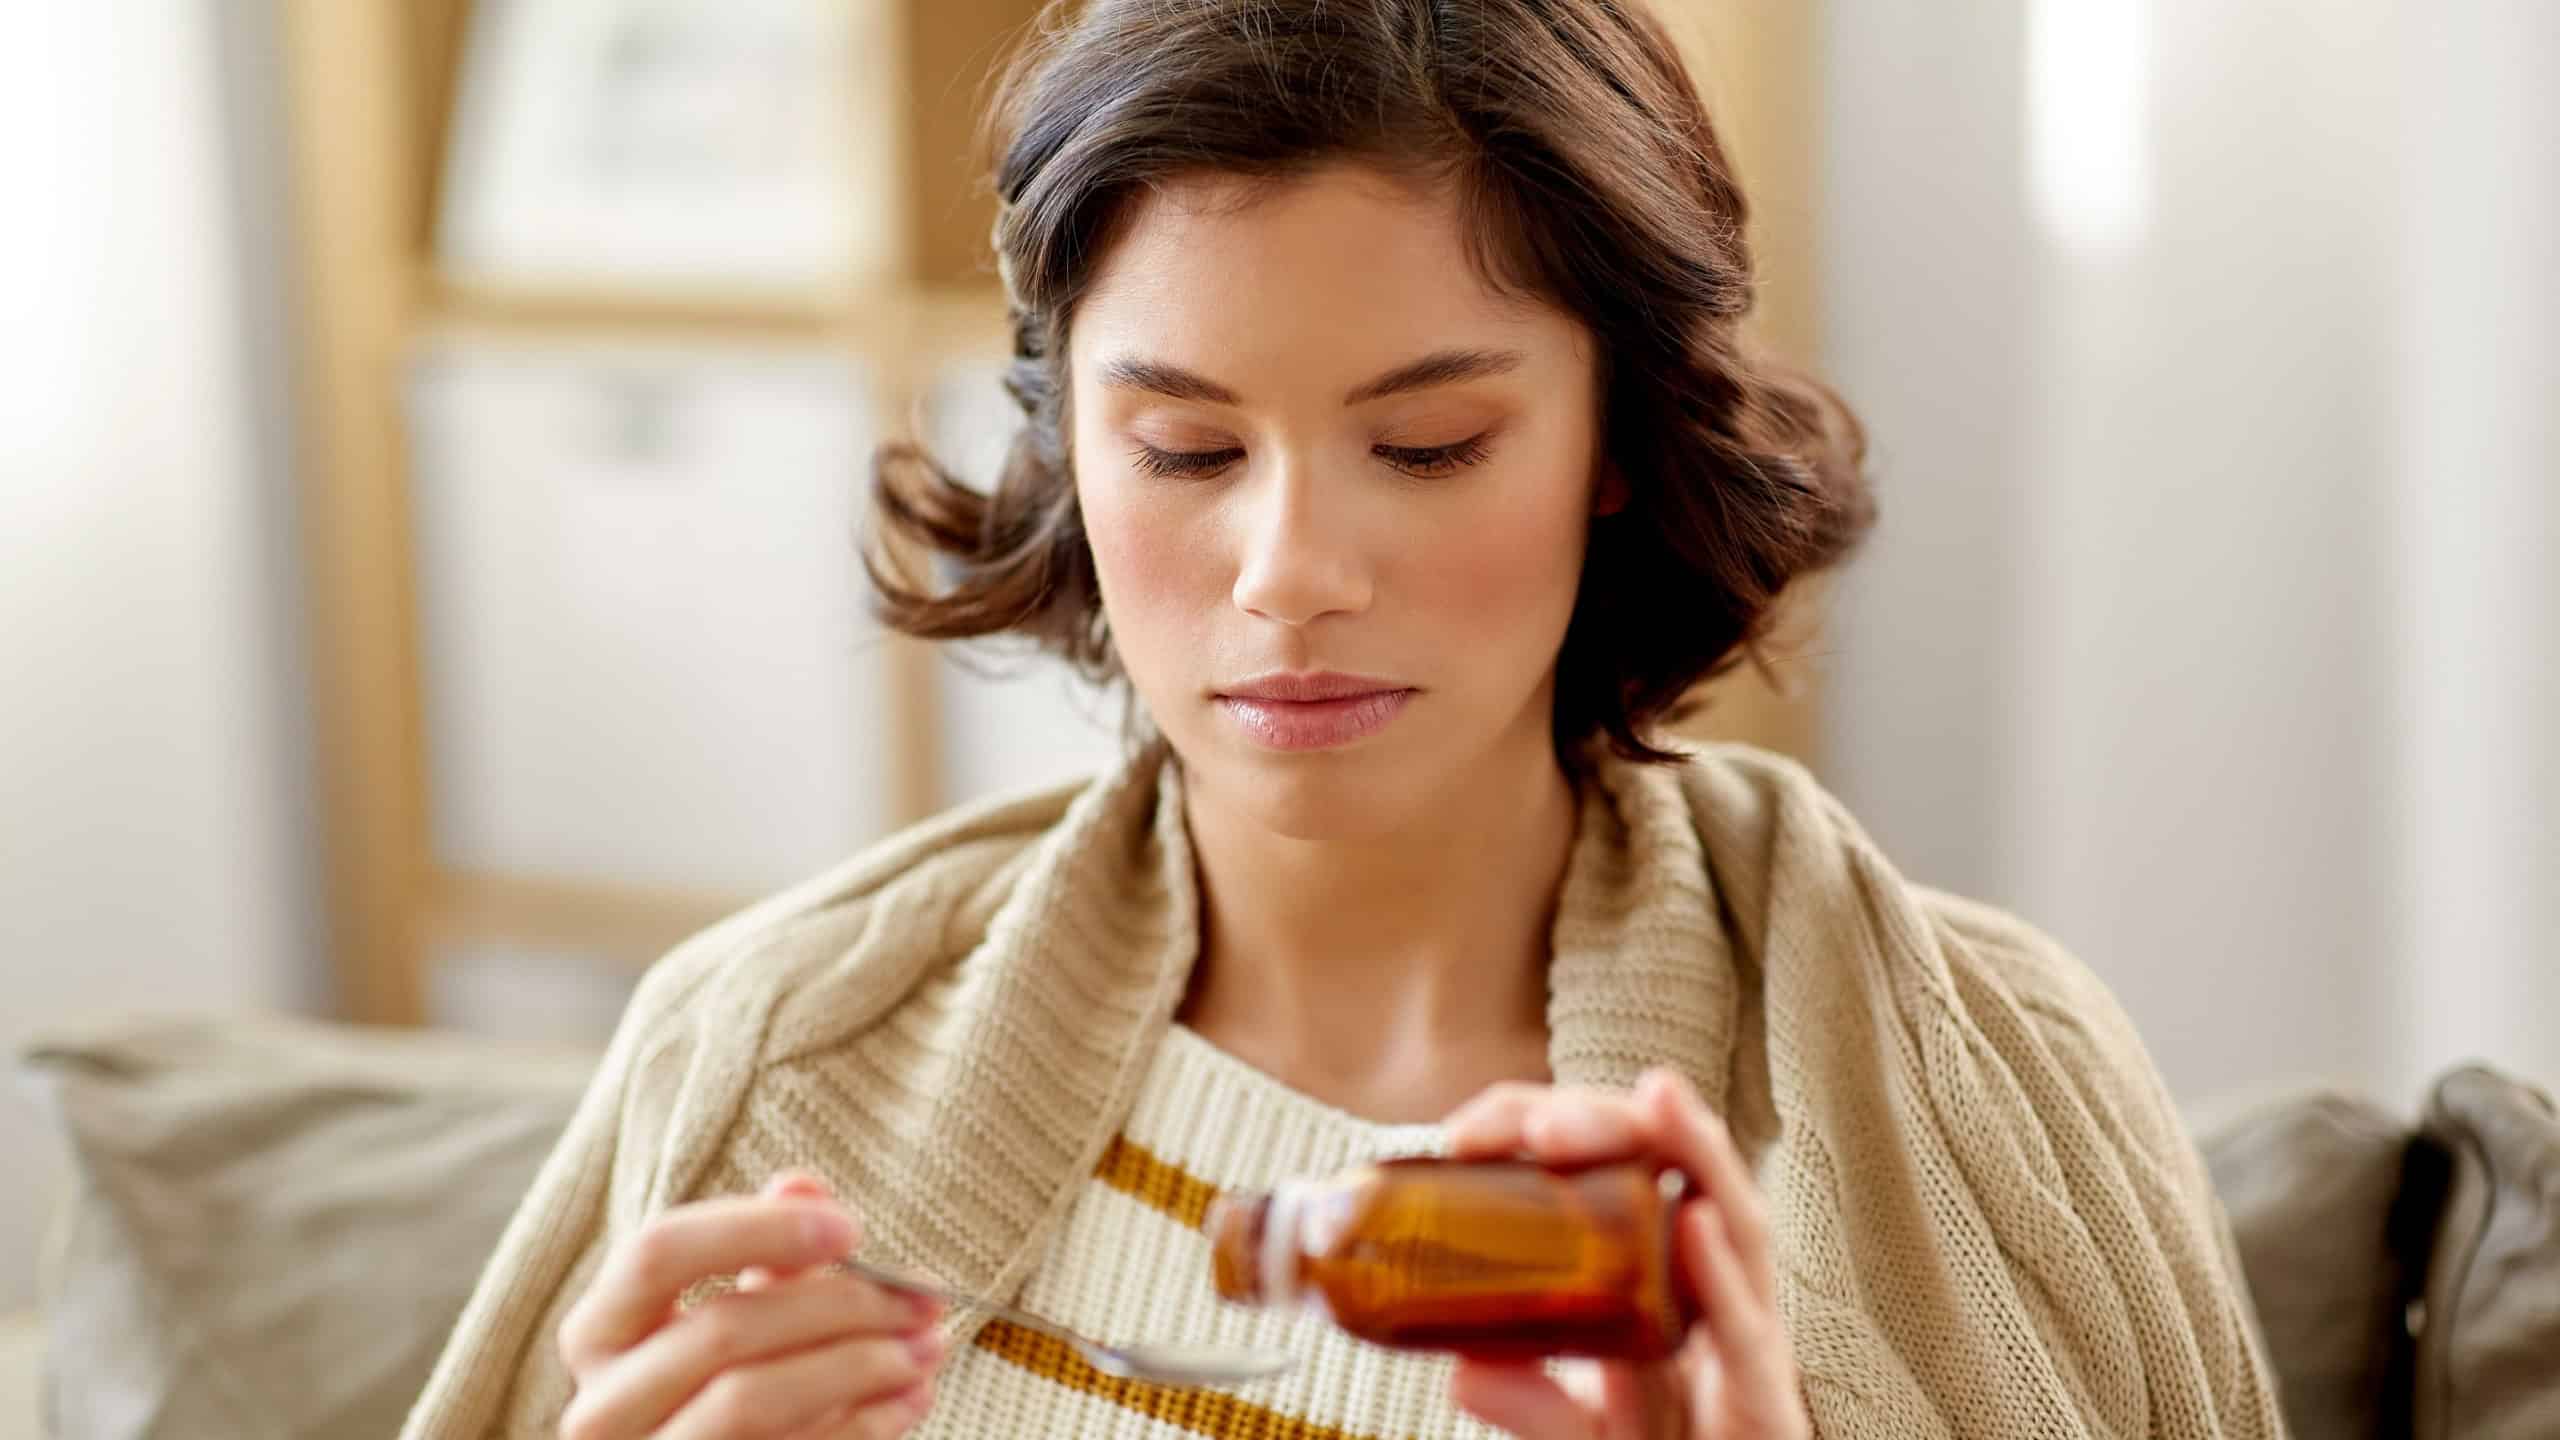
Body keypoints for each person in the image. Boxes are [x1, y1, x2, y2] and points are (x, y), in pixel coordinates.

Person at [402, 1, 2287, 1437]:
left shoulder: (1994, 1091)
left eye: (1430, 444)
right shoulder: (758, 1056)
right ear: (1070, 451)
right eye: (1185, 447)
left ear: (1616, 443)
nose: (1288, 572)